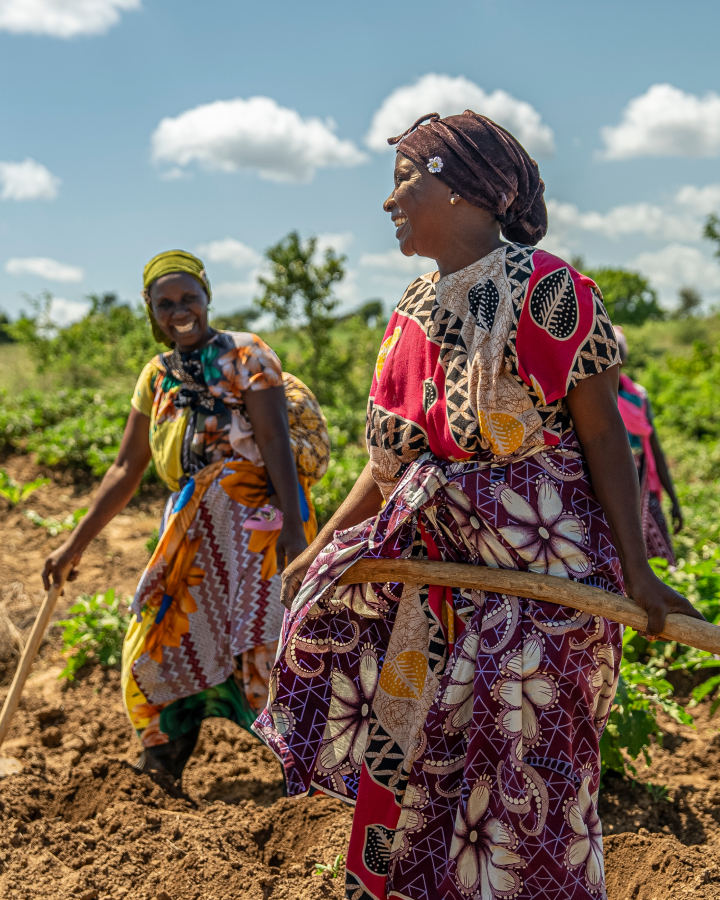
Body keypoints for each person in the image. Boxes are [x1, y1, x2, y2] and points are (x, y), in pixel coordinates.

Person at [252, 113, 703, 900]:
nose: (388, 201)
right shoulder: (409, 312)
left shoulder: (548, 290)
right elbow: (391, 462)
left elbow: (602, 438)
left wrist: (637, 571)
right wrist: (320, 547)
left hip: (549, 586)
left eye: (404, 179)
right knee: (416, 770)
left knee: (528, 785)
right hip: (440, 583)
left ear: (461, 188)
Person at [42, 250, 329, 780]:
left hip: (259, 527)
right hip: (189, 531)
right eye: (165, 302)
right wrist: (74, 543)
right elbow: (126, 468)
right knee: (157, 638)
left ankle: (301, 777)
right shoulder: (156, 377)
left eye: (188, 298)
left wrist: (294, 527)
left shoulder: (247, 355)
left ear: (207, 298)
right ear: (150, 310)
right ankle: (162, 765)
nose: (179, 310)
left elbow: (274, 441)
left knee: (265, 641)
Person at [614, 325, 681, 565]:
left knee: (660, 558)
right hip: (610, 481)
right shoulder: (596, 399)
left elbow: (655, 448)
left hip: (642, 477)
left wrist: (674, 500)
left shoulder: (638, 395)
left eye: (620, 354)